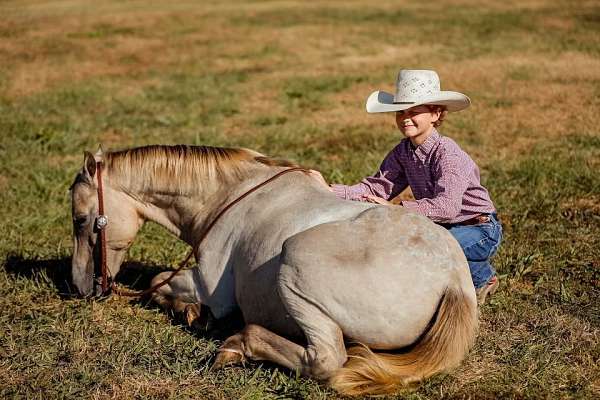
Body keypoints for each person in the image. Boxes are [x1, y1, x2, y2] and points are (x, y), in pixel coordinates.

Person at [329, 69, 502, 305]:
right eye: (400, 112)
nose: (405, 118)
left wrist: (398, 208)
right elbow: (376, 189)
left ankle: (483, 277)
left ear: (435, 113)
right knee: (412, 247)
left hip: (479, 228)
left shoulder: (447, 154)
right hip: (441, 226)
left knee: (428, 251)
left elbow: (448, 207)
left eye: (414, 111)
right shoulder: (403, 152)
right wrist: (328, 191)